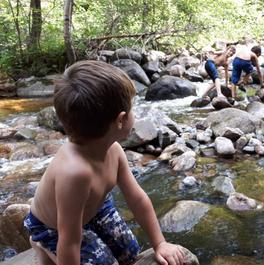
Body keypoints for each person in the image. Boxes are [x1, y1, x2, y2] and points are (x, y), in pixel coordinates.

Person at [23, 60, 184, 265]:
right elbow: (69, 241)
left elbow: (137, 199)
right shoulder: (75, 173)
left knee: (130, 253)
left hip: (95, 209)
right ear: (121, 119)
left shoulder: (114, 149)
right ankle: (40, 245)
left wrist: (159, 243)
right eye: (132, 109)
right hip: (53, 227)